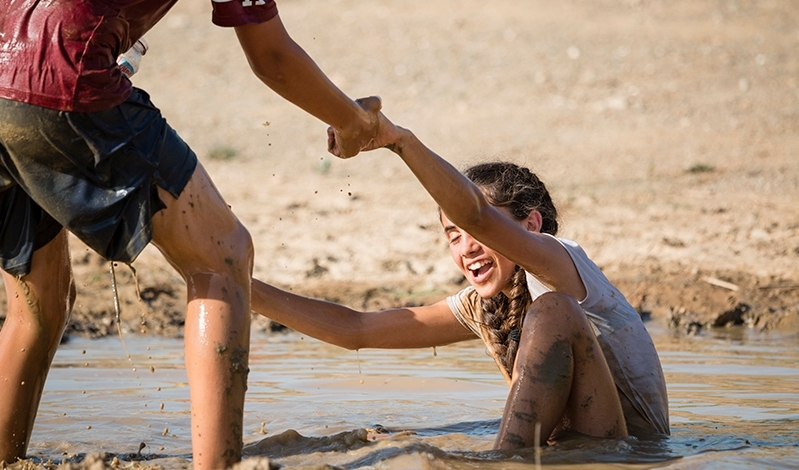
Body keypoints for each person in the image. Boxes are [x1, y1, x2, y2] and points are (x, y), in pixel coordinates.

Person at [0, 1, 379, 468]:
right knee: (222, 258)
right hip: (64, 76)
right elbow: (272, 57)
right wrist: (353, 123)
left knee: (37, 306)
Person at [252, 98, 670, 449]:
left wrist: (399, 141)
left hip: (629, 454)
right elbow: (357, 329)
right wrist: (239, 284)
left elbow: (477, 214)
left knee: (553, 312)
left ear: (530, 226)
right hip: (569, 451)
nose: (465, 246)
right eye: (452, 235)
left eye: (474, 231)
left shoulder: (559, 264)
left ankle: (499, 462)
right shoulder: (482, 306)